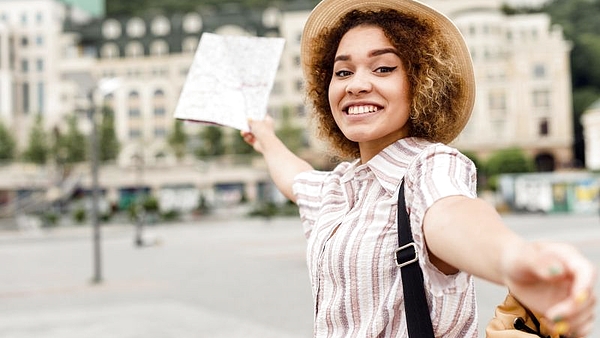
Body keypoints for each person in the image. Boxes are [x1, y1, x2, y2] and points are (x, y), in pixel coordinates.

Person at [241, 0, 597, 336]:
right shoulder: (340, 188)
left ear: (421, 81)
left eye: (383, 68)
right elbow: (296, 179)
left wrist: (512, 257)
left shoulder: (429, 166)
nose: (357, 85)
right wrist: (264, 136)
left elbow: (451, 212)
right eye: (343, 71)